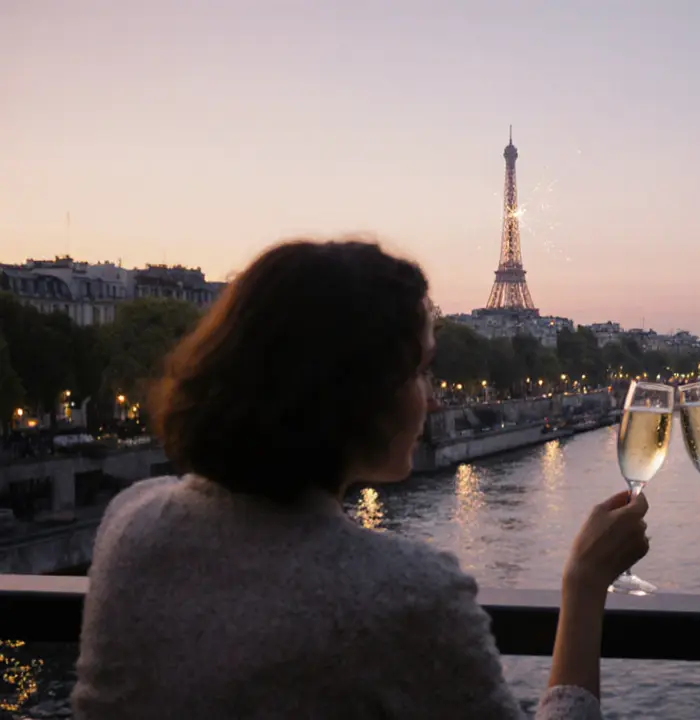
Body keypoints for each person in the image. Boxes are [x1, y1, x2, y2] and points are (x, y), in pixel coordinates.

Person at [74, 238, 647, 719]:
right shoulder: (408, 593)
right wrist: (584, 584)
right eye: (420, 371)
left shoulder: (130, 522)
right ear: (358, 393)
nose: (432, 395)